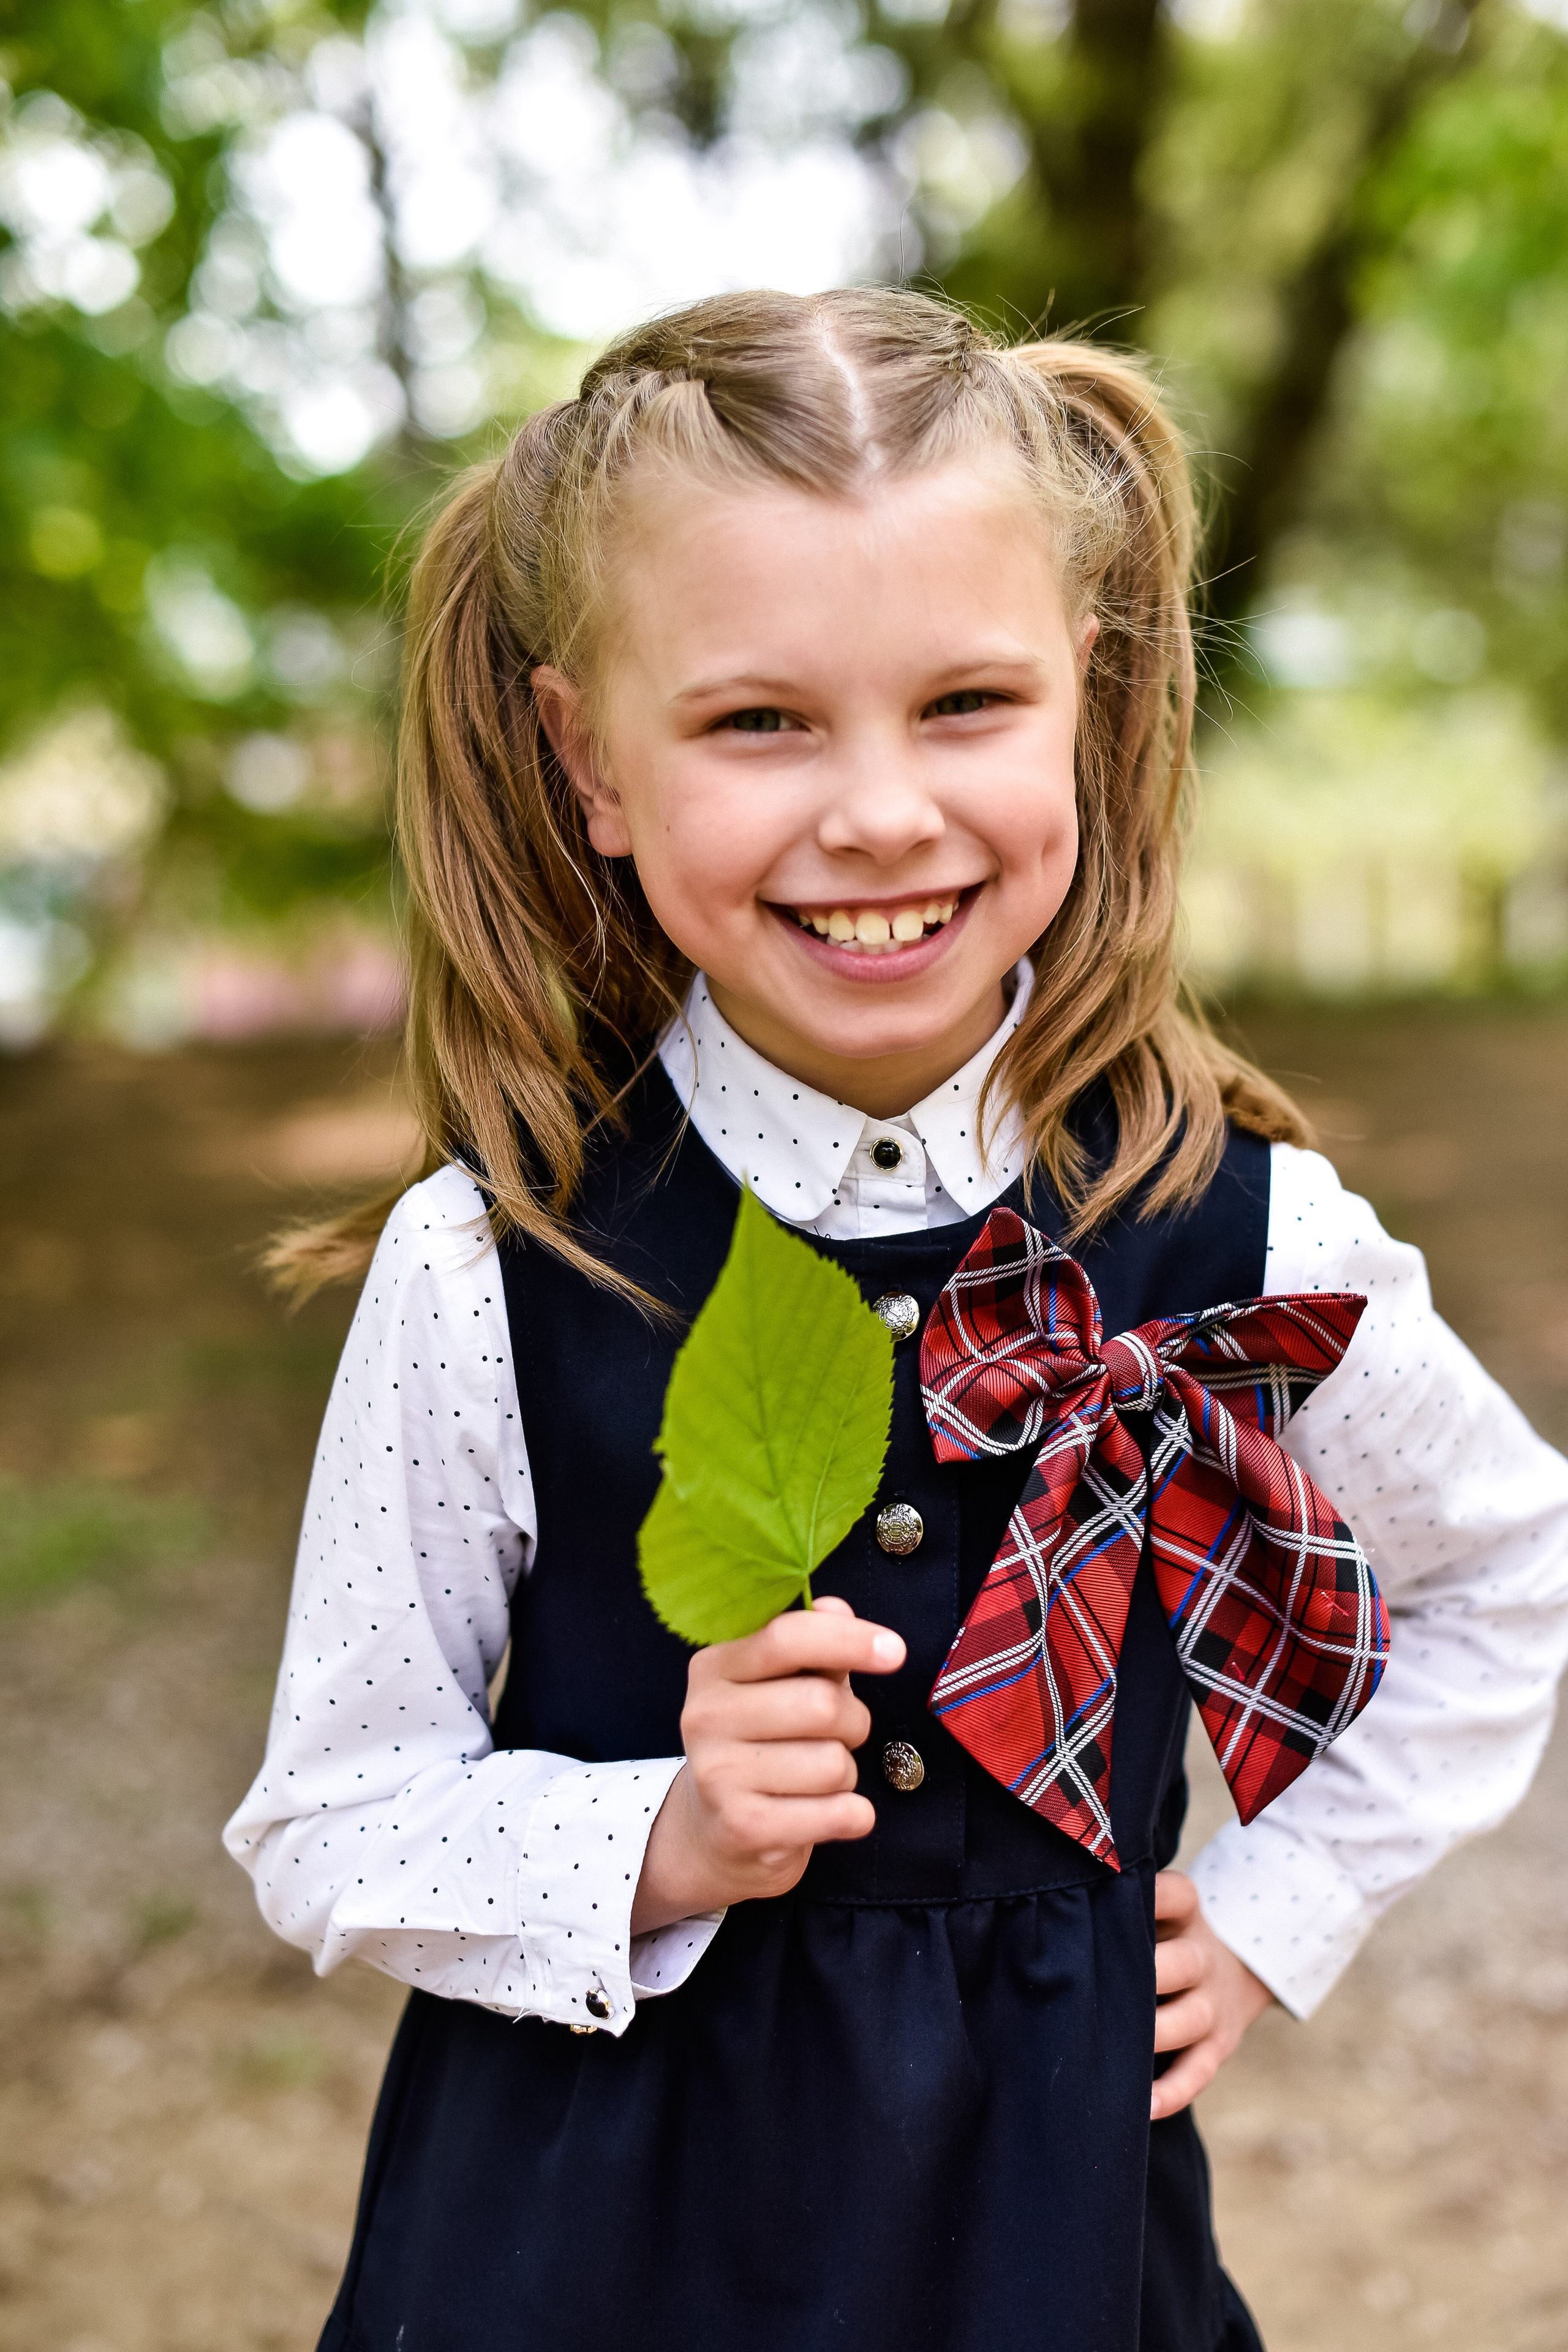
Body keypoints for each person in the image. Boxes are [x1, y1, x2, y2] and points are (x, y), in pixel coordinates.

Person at [225, 288, 1568, 2352]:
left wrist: (1281, 1909)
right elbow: (332, 1818)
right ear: (590, 759)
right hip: (583, 2248)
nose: (877, 812)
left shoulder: (1236, 1233)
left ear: (1086, 703)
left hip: (1050, 2244)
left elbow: (1510, 1570)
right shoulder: (490, 1264)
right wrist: (660, 1835)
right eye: (760, 723)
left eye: (965, 704)